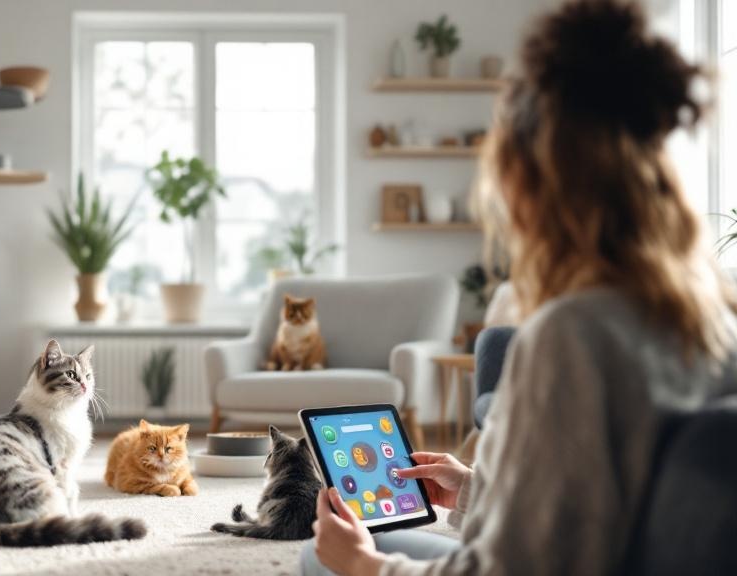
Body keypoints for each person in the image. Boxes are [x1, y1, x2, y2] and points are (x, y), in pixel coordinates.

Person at [301, 0, 737, 574]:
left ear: (528, 178)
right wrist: (473, 489)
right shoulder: (712, 318)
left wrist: (366, 566)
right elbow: (602, 506)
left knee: (322, 557)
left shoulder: (574, 336)